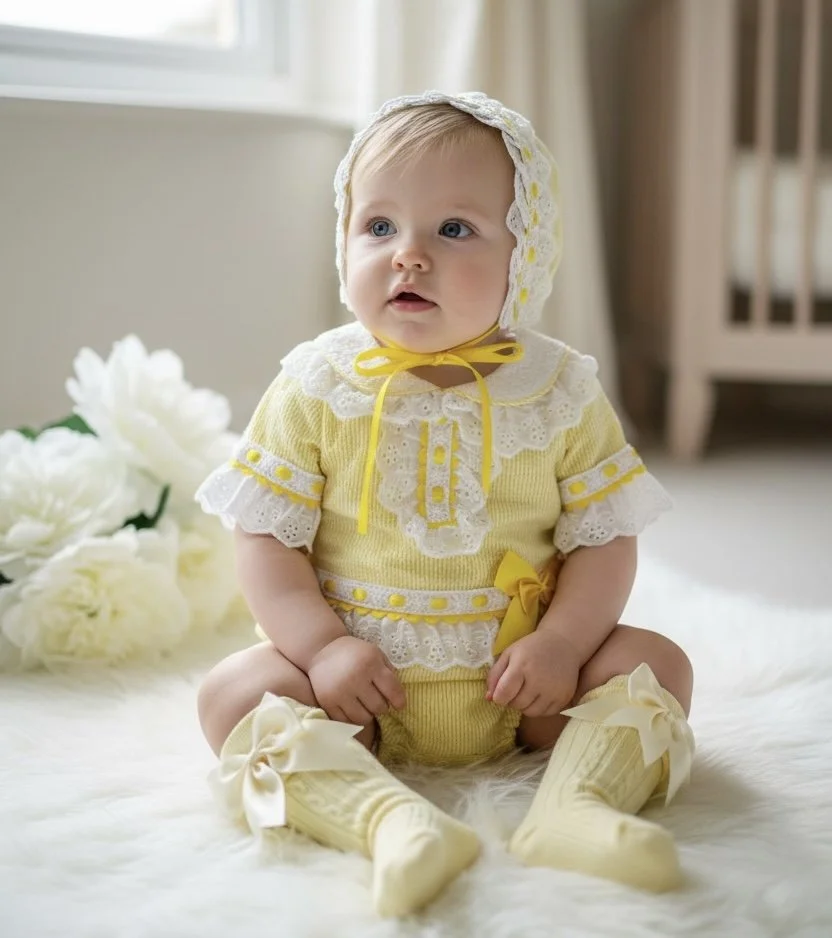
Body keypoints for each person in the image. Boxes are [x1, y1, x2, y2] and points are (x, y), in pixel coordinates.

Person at [195, 90, 695, 918]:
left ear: (524, 254)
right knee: (232, 695)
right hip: (358, 693)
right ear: (344, 241)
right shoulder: (316, 386)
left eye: (453, 230)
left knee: (657, 666)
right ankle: (387, 819)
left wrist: (566, 645)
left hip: (521, 688)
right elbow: (267, 541)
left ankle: (576, 806)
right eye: (379, 227)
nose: (408, 257)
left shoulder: (560, 389)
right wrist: (320, 652)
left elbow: (603, 539)